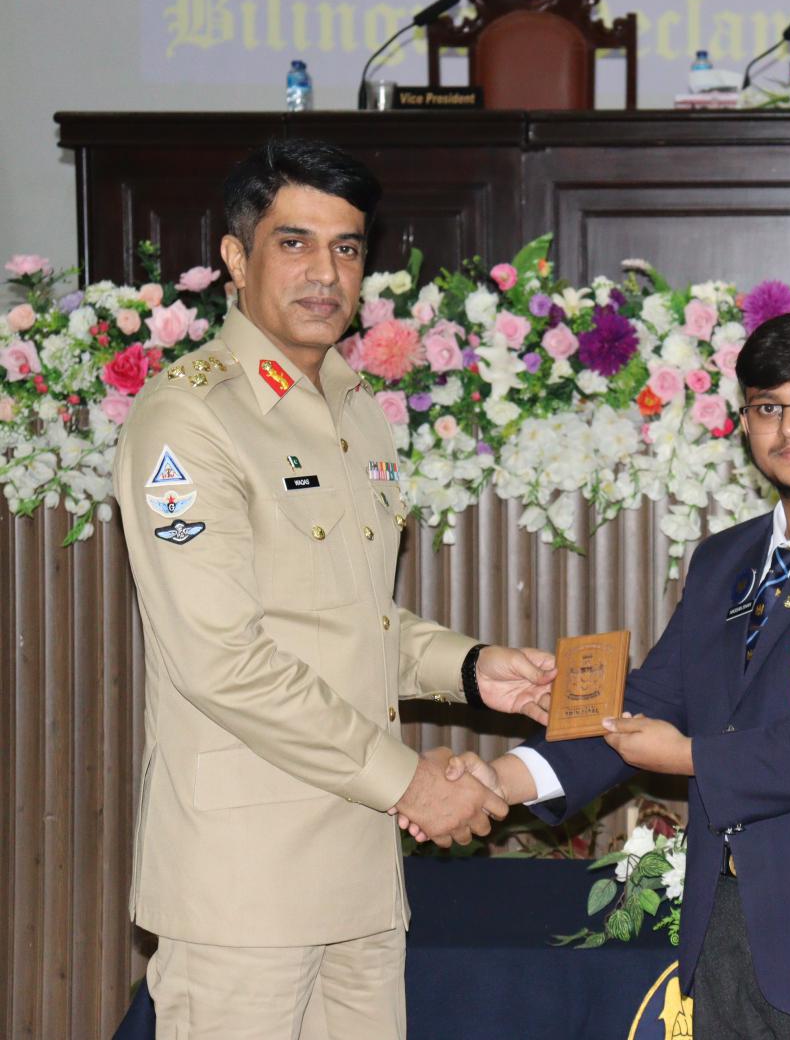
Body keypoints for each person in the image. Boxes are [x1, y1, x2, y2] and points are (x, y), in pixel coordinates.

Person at [422, 311, 790, 1038]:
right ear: (745, 423)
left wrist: (691, 757)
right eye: (768, 408)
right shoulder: (726, 561)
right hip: (732, 937)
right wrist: (499, 782)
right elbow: (653, 702)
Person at [114, 137, 554, 1039]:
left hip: (359, 873)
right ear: (236, 257)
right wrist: (409, 783)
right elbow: (222, 659)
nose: (325, 273)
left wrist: (473, 670)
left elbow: (351, 619)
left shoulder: (355, 409)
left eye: (347, 247)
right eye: (295, 243)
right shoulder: (189, 417)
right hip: (245, 890)